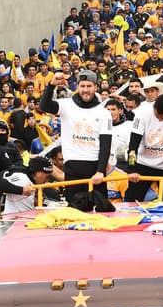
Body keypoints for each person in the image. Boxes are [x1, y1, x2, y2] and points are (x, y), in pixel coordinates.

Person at [38, 70, 112, 206]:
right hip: (73, 166)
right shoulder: (66, 105)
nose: (85, 90)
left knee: (101, 209)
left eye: (89, 86)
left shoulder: (104, 112)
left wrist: (100, 171)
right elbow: (44, 106)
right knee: (75, 210)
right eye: (82, 86)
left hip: (95, 166)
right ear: (77, 87)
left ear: (96, 87)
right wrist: (52, 85)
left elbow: (105, 144)